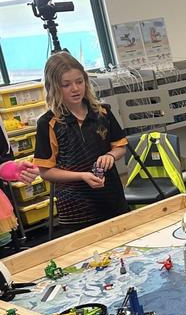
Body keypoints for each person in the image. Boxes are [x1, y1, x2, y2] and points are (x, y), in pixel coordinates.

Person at [33, 52, 129, 230]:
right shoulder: (48, 123)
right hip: (76, 208)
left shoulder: (102, 112)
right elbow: (46, 171)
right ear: (54, 87)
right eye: (66, 85)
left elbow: (120, 147)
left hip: (112, 198)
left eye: (79, 81)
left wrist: (110, 155)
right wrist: (81, 176)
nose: (75, 89)